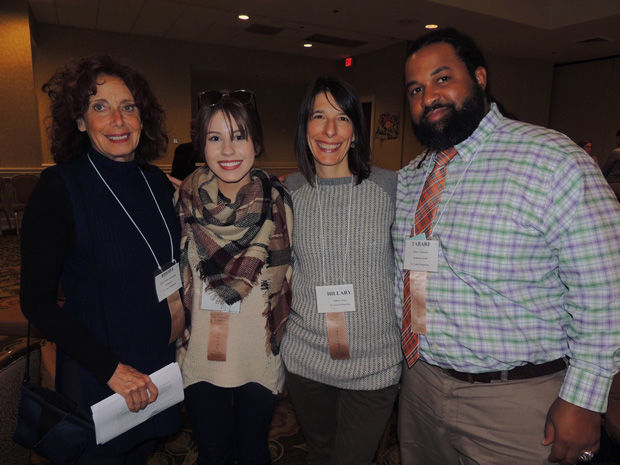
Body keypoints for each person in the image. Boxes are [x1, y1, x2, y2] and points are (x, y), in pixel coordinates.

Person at [393, 28, 620, 465]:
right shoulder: (412, 176)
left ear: (479, 77)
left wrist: (585, 397)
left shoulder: (551, 159)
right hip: (421, 384)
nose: (428, 97)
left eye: (442, 79)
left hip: (515, 398)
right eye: (416, 89)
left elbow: (605, 287)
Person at [20, 55, 182, 463]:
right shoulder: (59, 189)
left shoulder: (157, 184)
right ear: (79, 121)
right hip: (101, 372)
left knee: (144, 452)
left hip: (156, 361)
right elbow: (36, 302)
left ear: (142, 118)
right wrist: (111, 370)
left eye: (128, 106)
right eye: (99, 106)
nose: (118, 120)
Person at [281, 76, 402, 465]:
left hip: (374, 366)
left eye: (342, 118)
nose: (330, 130)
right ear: (305, 127)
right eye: (319, 116)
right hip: (307, 362)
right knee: (319, 453)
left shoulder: (390, 188)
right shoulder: (289, 192)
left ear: (356, 130)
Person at [175, 89, 293, 465]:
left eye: (238, 136)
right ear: (202, 146)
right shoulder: (181, 204)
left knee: (253, 452)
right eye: (215, 138)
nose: (228, 150)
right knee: (212, 454)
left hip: (256, 353)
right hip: (199, 357)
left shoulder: (280, 202)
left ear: (255, 142)